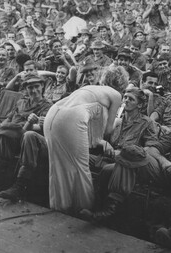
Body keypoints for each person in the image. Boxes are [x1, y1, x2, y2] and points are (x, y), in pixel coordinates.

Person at [80, 93, 171, 233]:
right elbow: (153, 149)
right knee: (133, 151)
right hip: (168, 171)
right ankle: (110, 208)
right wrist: (165, 162)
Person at [44, 68, 123, 213]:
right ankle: (85, 208)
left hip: (53, 113)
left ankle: (61, 206)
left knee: (58, 164)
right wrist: (119, 121)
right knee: (81, 166)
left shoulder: (91, 88)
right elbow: (108, 130)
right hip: (72, 117)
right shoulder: (116, 95)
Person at [0, 74, 52, 189]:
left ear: (42, 86)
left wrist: (16, 126)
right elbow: (8, 118)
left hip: (25, 137)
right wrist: (5, 125)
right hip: (12, 130)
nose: (34, 90)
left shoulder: (47, 106)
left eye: (36, 86)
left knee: (6, 134)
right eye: (30, 88)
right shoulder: (21, 102)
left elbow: (39, 128)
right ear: (26, 89)